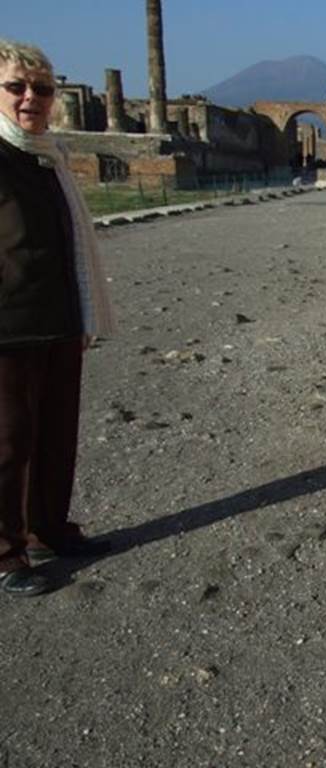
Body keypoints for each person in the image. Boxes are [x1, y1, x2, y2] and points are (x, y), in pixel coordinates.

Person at [0, 39, 115, 596]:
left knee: (56, 437)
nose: (30, 99)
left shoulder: (48, 157)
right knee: (8, 442)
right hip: (7, 325)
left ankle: (48, 530)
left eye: (42, 89)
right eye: (16, 87)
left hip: (61, 317)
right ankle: (6, 553)